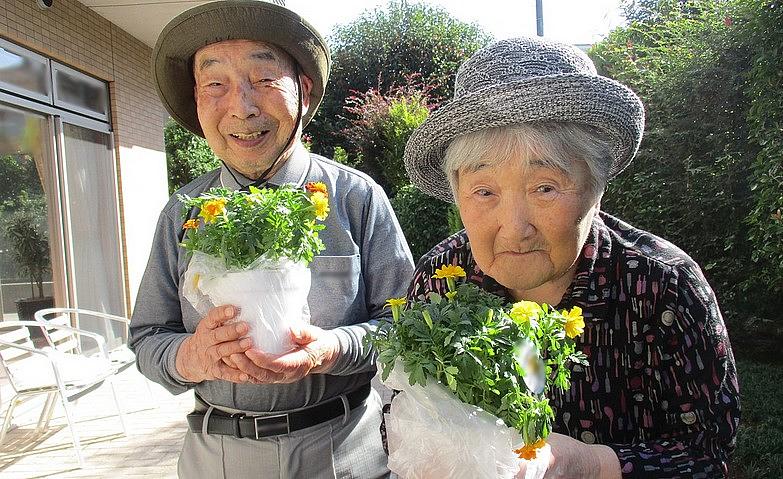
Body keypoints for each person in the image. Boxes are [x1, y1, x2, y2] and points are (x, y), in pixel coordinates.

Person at [402, 37, 740, 478]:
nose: (514, 227)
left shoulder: (662, 288)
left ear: (596, 188)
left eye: (544, 188)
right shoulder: (438, 281)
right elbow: (406, 418)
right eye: (484, 192)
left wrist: (594, 465)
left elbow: (707, 455)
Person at [129, 1, 413, 477]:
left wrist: (333, 348)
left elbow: (404, 327)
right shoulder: (182, 213)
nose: (242, 107)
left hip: (344, 452)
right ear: (198, 101)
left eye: (263, 80)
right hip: (217, 457)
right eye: (216, 85)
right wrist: (193, 356)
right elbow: (145, 340)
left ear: (303, 91)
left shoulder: (356, 198)